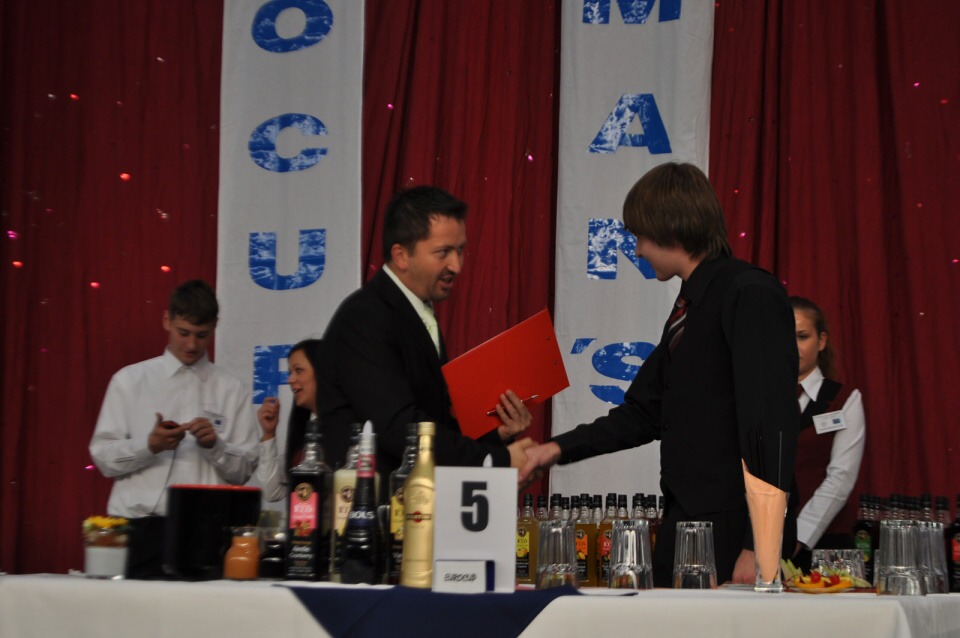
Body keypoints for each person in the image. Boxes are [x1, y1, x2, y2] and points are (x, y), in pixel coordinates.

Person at [518, 162, 800, 586]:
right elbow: (643, 413)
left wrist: (761, 541)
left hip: (734, 529)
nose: (637, 250)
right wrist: (554, 450)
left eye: (640, 236)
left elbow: (770, 424)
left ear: (671, 229)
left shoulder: (748, 292)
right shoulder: (691, 305)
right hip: (685, 522)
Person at [318, 185, 535, 483]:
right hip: (368, 505)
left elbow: (431, 425)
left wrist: (497, 435)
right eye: (443, 252)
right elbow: (401, 430)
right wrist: (497, 459)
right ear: (401, 255)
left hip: (412, 501)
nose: (456, 266)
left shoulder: (415, 311)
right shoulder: (365, 317)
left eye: (460, 250)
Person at [89, 279, 259, 578]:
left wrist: (215, 447)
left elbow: (243, 472)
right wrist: (149, 446)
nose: (192, 345)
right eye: (184, 333)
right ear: (167, 320)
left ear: (215, 327)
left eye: (201, 335)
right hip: (139, 527)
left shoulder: (232, 389)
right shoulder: (129, 381)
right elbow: (103, 458)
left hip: (207, 532)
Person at [790, 296, 866, 569]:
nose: (792, 346)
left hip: (826, 545)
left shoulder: (844, 399)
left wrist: (798, 535)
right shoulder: (757, 398)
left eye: (802, 336)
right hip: (759, 541)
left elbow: (840, 477)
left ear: (821, 341)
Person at [256, 338, 326, 502]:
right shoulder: (305, 436)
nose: (290, 379)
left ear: (322, 372)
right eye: (290, 372)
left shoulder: (345, 428)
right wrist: (268, 434)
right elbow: (271, 492)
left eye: (299, 370)